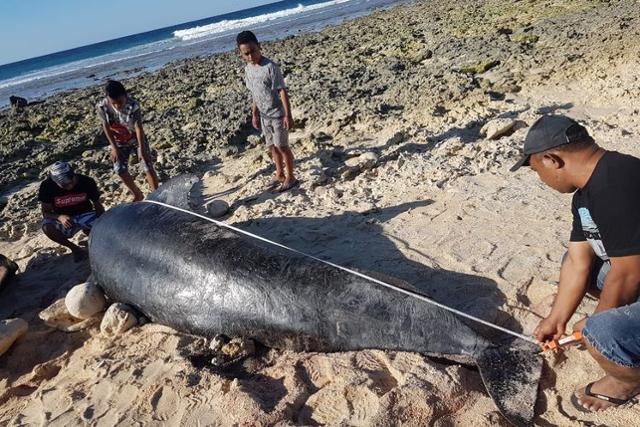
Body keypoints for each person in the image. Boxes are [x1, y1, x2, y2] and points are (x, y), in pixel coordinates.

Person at [511, 115, 640, 412]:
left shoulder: (616, 184)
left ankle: (629, 381)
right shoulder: (586, 193)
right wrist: (557, 319)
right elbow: (577, 260)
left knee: (602, 333)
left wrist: (595, 322)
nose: (541, 180)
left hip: (634, 273)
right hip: (633, 272)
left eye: (535, 170)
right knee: (584, 265)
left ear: (551, 159)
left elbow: (629, 274)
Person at [236, 30, 298, 192]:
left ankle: (291, 177)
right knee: (272, 147)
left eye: (253, 51)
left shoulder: (270, 67)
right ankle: (279, 173)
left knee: (282, 146)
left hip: (278, 115)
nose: (250, 56)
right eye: (246, 54)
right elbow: (255, 93)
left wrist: (287, 115)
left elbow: (282, 91)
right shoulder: (248, 69)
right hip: (264, 116)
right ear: (241, 54)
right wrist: (254, 114)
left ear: (259, 46)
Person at [97, 80, 159, 201]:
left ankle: (155, 195)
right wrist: (114, 148)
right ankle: (137, 194)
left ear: (125, 95)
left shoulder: (133, 105)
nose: (117, 106)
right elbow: (106, 127)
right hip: (118, 141)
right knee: (119, 168)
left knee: (147, 164)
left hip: (135, 138)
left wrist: (142, 150)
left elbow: (138, 128)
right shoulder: (102, 107)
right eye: (113, 103)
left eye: (120, 102)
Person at [38, 161, 104, 262]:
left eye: (71, 181)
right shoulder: (47, 186)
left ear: (73, 175)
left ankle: (93, 238)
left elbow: (98, 206)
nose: (69, 186)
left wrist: (102, 224)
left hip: (85, 214)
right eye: (64, 184)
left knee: (101, 226)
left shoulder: (86, 181)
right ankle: (75, 249)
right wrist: (60, 217)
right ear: (55, 182)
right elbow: (46, 212)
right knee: (47, 227)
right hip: (64, 219)